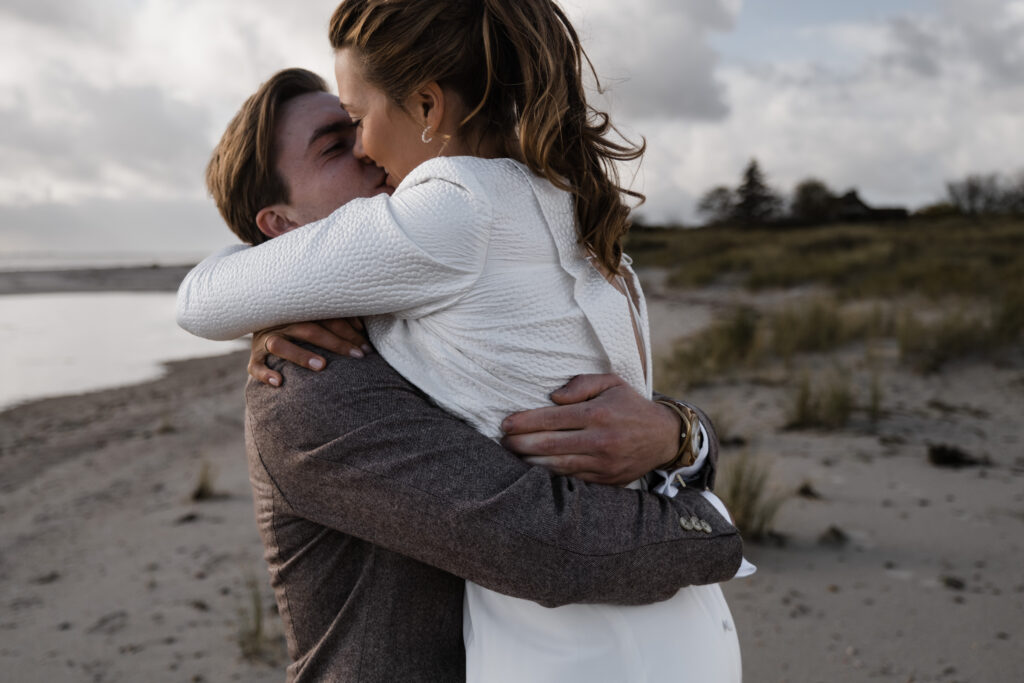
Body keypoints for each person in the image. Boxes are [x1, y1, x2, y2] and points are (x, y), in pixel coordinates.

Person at [179, 2, 749, 680]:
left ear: (425, 105)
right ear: (278, 227)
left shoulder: (459, 239)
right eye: (338, 143)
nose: (364, 149)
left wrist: (679, 433)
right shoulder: (306, 386)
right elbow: (545, 540)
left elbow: (599, 405)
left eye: (358, 123)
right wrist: (709, 521)